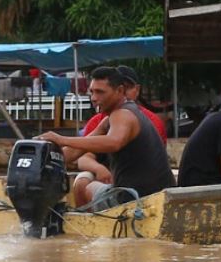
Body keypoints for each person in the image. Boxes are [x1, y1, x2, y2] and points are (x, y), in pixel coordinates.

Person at [38, 67, 175, 205]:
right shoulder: (110, 119)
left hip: (141, 201)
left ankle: (88, 226)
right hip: (149, 196)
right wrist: (41, 159)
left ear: (120, 91)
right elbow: (75, 151)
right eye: (92, 92)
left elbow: (114, 142)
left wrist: (62, 139)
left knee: (89, 187)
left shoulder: (123, 114)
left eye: (100, 92)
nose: (94, 98)